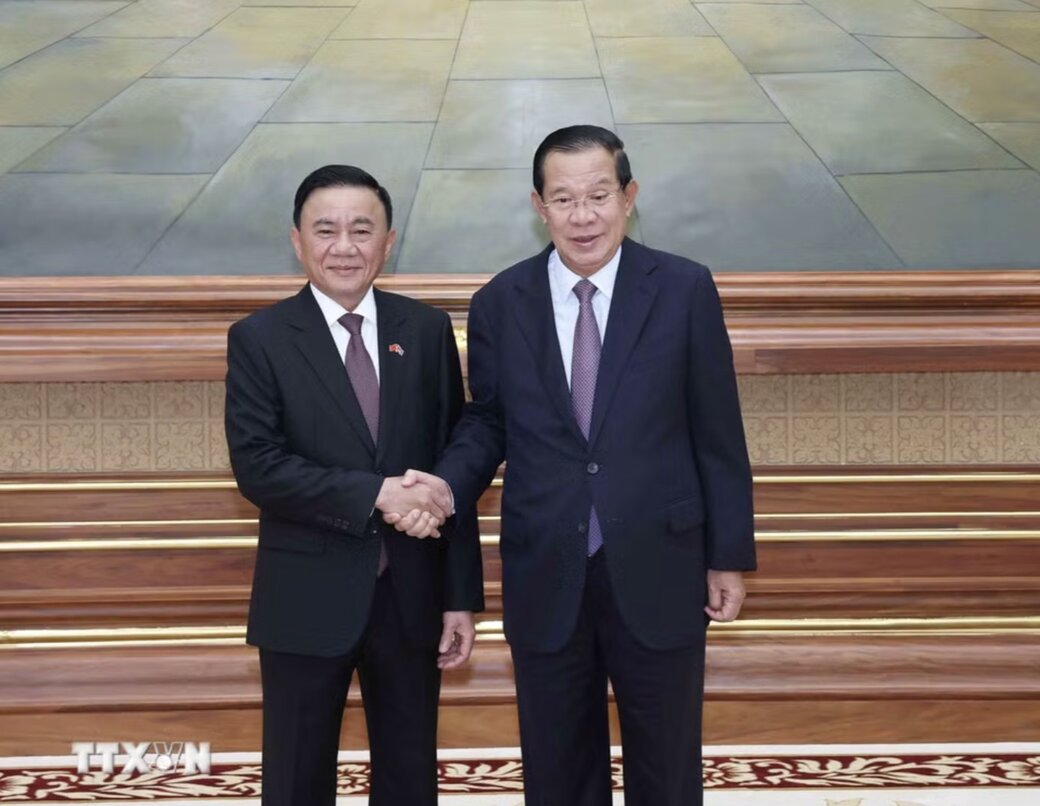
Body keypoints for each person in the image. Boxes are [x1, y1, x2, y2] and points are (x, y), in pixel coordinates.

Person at [391, 125, 756, 805]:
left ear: (629, 197)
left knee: (668, 762)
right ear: (539, 205)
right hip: (547, 566)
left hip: (661, 560)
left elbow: (718, 432)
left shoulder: (682, 289)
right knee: (557, 763)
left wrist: (726, 554)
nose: (582, 215)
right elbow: (489, 420)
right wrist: (444, 484)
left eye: (598, 195)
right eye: (564, 199)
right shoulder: (501, 302)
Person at [224, 164, 484, 806]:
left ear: (389, 241)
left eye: (362, 229)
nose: (345, 246)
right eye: (326, 230)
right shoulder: (259, 338)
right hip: (305, 597)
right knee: (296, 778)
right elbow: (259, 466)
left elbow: (451, 466)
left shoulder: (425, 331)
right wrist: (377, 494)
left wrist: (460, 597)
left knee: (409, 775)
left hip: (411, 594)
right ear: (297, 241)